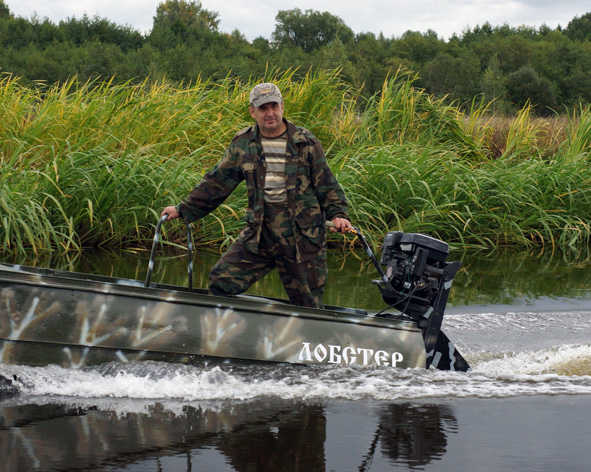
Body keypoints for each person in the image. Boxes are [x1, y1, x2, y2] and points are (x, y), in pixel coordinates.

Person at [161, 83, 351, 308]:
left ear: (282, 107)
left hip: (301, 238)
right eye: (263, 108)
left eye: (274, 106)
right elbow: (217, 183)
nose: (270, 113)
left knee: (308, 305)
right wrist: (182, 210)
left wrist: (339, 214)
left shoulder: (305, 142)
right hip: (260, 235)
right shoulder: (243, 144)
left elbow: (326, 182)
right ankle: (226, 327)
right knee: (222, 281)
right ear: (253, 112)